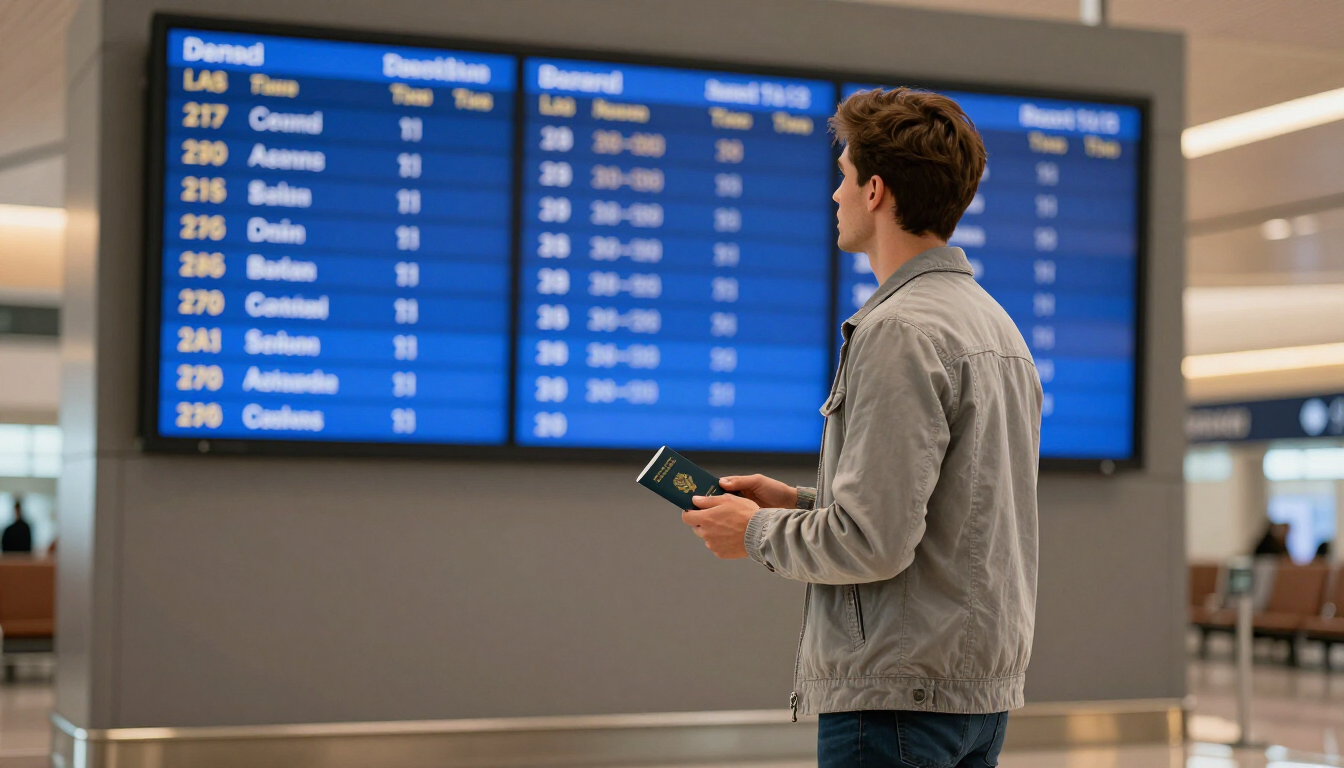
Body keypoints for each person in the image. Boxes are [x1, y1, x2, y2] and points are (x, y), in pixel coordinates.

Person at [681, 87, 1042, 768]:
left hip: (895, 704)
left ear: (876, 191)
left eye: (843, 177)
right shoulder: (998, 328)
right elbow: (947, 516)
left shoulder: (898, 330)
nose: (836, 196)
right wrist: (798, 504)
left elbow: (873, 544)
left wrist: (751, 532)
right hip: (976, 697)